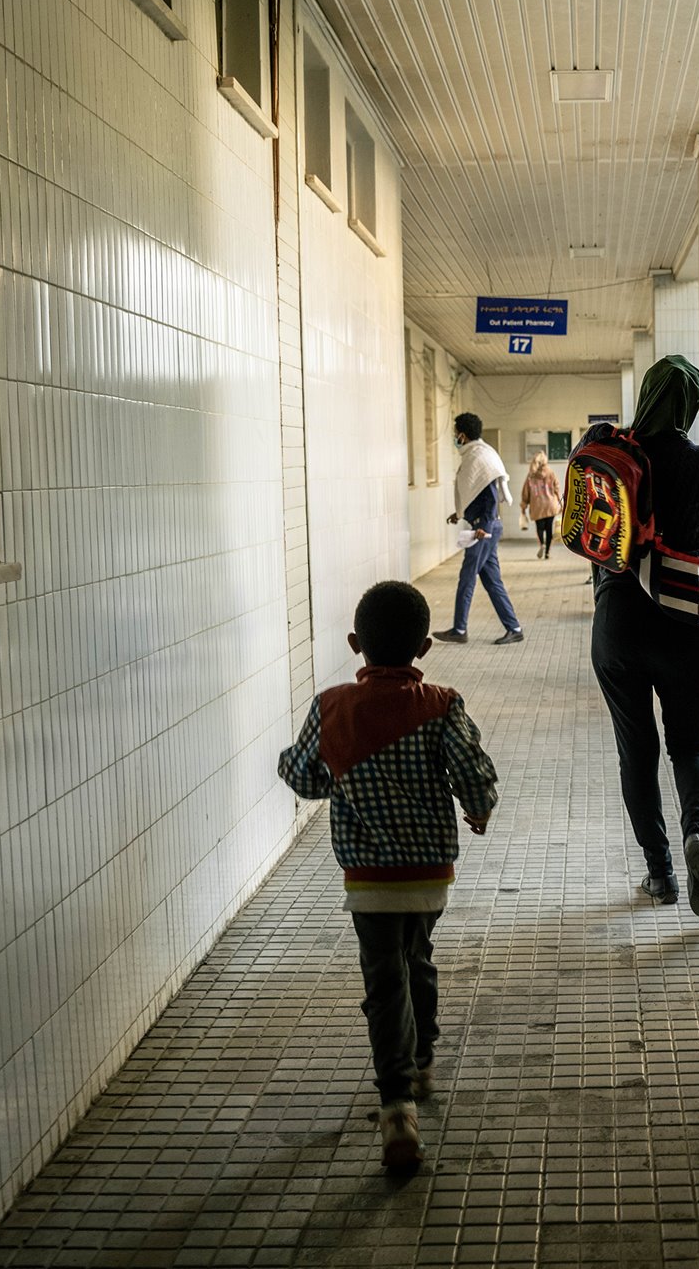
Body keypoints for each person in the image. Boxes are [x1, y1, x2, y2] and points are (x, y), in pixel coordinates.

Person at [277, 580, 499, 1169]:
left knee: (383, 980)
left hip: (368, 878)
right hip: (429, 874)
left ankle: (397, 1107)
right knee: (417, 958)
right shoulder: (443, 703)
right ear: (425, 647)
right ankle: (423, 1059)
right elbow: (474, 770)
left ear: (356, 643)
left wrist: (339, 779)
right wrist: (477, 809)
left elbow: (304, 777)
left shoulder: (331, 707)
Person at [585, 355, 699, 916]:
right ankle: (697, 833)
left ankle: (661, 875)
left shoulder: (611, 453)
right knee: (691, 745)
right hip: (685, 626)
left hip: (618, 626)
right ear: (691, 405)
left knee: (637, 754)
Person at [436, 411, 525, 645]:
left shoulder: (478, 457)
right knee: (492, 580)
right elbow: (474, 493)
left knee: (467, 577)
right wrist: (459, 514)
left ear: (462, 436)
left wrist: (483, 526)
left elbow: (489, 495)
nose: (454, 437)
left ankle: (459, 629)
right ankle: (514, 627)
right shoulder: (479, 454)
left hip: (484, 528)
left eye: (455, 433)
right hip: (487, 525)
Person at [520, 450, 562, 559]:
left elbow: (525, 492)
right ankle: (547, 552)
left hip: (537, 506)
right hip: (550, 505)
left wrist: (523, 506)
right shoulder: (550, 473)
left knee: (540, 528)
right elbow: (557, 488)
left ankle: (542, 544)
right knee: (549, 529)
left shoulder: (531, 475)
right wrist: (560, 502)